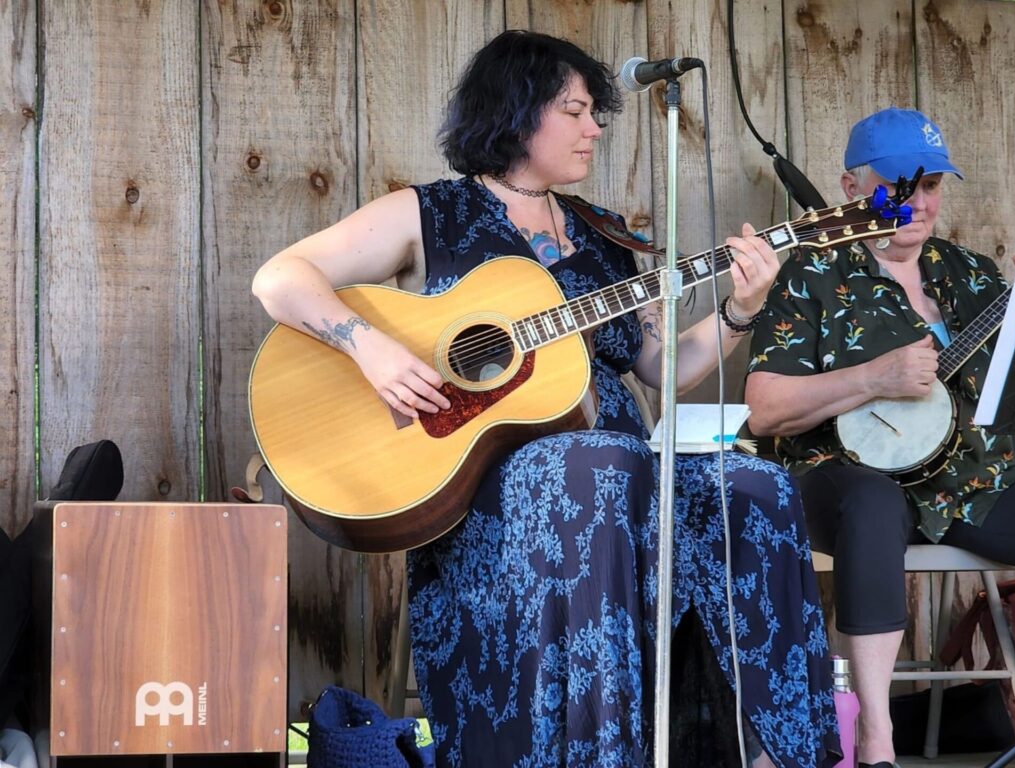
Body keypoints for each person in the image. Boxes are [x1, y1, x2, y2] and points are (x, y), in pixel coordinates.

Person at [254, 30, 838, 768]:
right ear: (516, 110)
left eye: (596, 111)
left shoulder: (603, 237)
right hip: (490, 488)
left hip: (618, 472)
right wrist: (369, 346)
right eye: (575, 109)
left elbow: (660, 364)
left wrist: (740, 312)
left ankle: (775, 750)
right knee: (595, 466)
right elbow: (280, 279)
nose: (595, 127)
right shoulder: (430, 214)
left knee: (756, 484)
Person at [745, 106, 1015, 768]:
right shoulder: (809, 276)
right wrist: (874, 376)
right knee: (873, 503)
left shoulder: (970, 272)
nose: (918, 201)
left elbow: (1007, 405)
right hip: (841, 476)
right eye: (900, 184)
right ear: (850, 187)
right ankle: (875, 738)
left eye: (930, 185)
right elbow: (764, 409)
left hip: (964, 483)